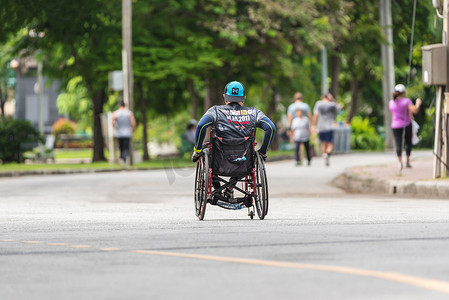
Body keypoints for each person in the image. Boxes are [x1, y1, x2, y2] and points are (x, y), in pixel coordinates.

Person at [191, 81, 276, 203]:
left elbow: (201, 126)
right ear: (244, 98)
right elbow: (271, 128)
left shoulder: (215, 111)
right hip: (244, 161)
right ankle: (230, 186)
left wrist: (197, 150)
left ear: (225, 97)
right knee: (245, 156)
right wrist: (262, 152)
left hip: (219, 161)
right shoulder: (254, 113)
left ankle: (217, 189)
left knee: (207, 152)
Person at [389, 84, 422, 174]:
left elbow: (393, 113)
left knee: (398, 143)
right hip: (406, 124)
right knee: (408, 142)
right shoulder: (406, 101)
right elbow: (414, 110)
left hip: (395, 125)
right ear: (403, 93)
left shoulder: (391, 102)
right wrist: (418, 103)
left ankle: (400, 162)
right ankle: (407, 161)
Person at [312, 93, 340, 166]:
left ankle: (324, 155)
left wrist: (313, 125)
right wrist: (333, 100)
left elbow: (315, 115)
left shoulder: (318, 104)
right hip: (330, 127)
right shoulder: (332, 104)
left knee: (323, 143)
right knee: (330, 143)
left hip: (320, 127)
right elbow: (339, 108)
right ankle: (328, 154)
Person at [287, 92, 312, 160]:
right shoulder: (305, 105)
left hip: (295, 126)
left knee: (298, 142)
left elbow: (289, 117)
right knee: (304, 142)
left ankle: (300, 157)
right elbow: (309, 116)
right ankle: (301, 156)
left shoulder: (291, 106)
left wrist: (289, 128)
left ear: (294, 98)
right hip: (304, 125)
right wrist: (311, 125)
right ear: (302, 98)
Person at [112, 100, 136, 166]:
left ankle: (122, 158)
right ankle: (124, 158)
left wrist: (115, 127)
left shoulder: (116, 113)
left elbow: (113, 122)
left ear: (119, 105)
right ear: (125, 105)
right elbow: (133, 123)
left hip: (119, 133)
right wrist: (131, 129)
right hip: (127, 133)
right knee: (126, 147)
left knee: (121, 147)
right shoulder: (129, 113)